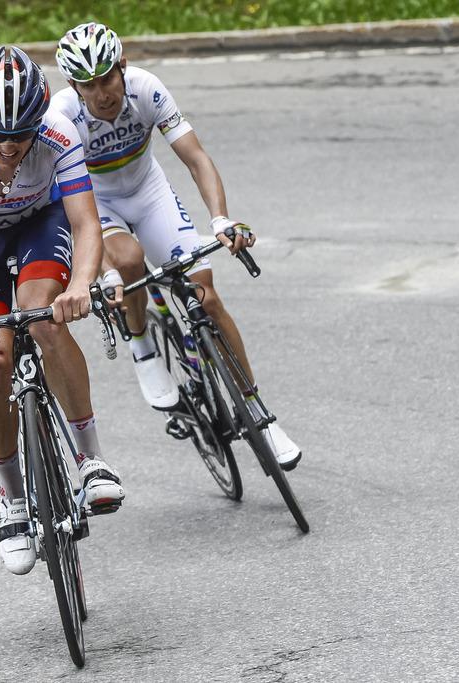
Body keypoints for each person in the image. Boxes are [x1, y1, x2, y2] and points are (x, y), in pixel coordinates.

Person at [53, 22, 302, 471]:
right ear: (74, 85)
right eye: (88, 84)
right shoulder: (63, 116)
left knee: (204, 291)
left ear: (123, 67)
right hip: (97, 203)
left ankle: (259, 412)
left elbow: (195, 157)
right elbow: (66, 201)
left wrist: (220, 219)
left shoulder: (146, 89)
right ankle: (142, 344)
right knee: (128, 261)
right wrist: (96, 271)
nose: (102, 92)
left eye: (108, 77)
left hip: (149, 192)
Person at [0, 46, 126, 575]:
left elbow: (84, 223)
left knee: (44, 319)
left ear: (39, 121)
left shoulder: (56, 133)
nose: (10, 146)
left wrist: (79, 285)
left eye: (20, 134)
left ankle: (91, 458)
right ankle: (11, 498)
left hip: (39, 224)